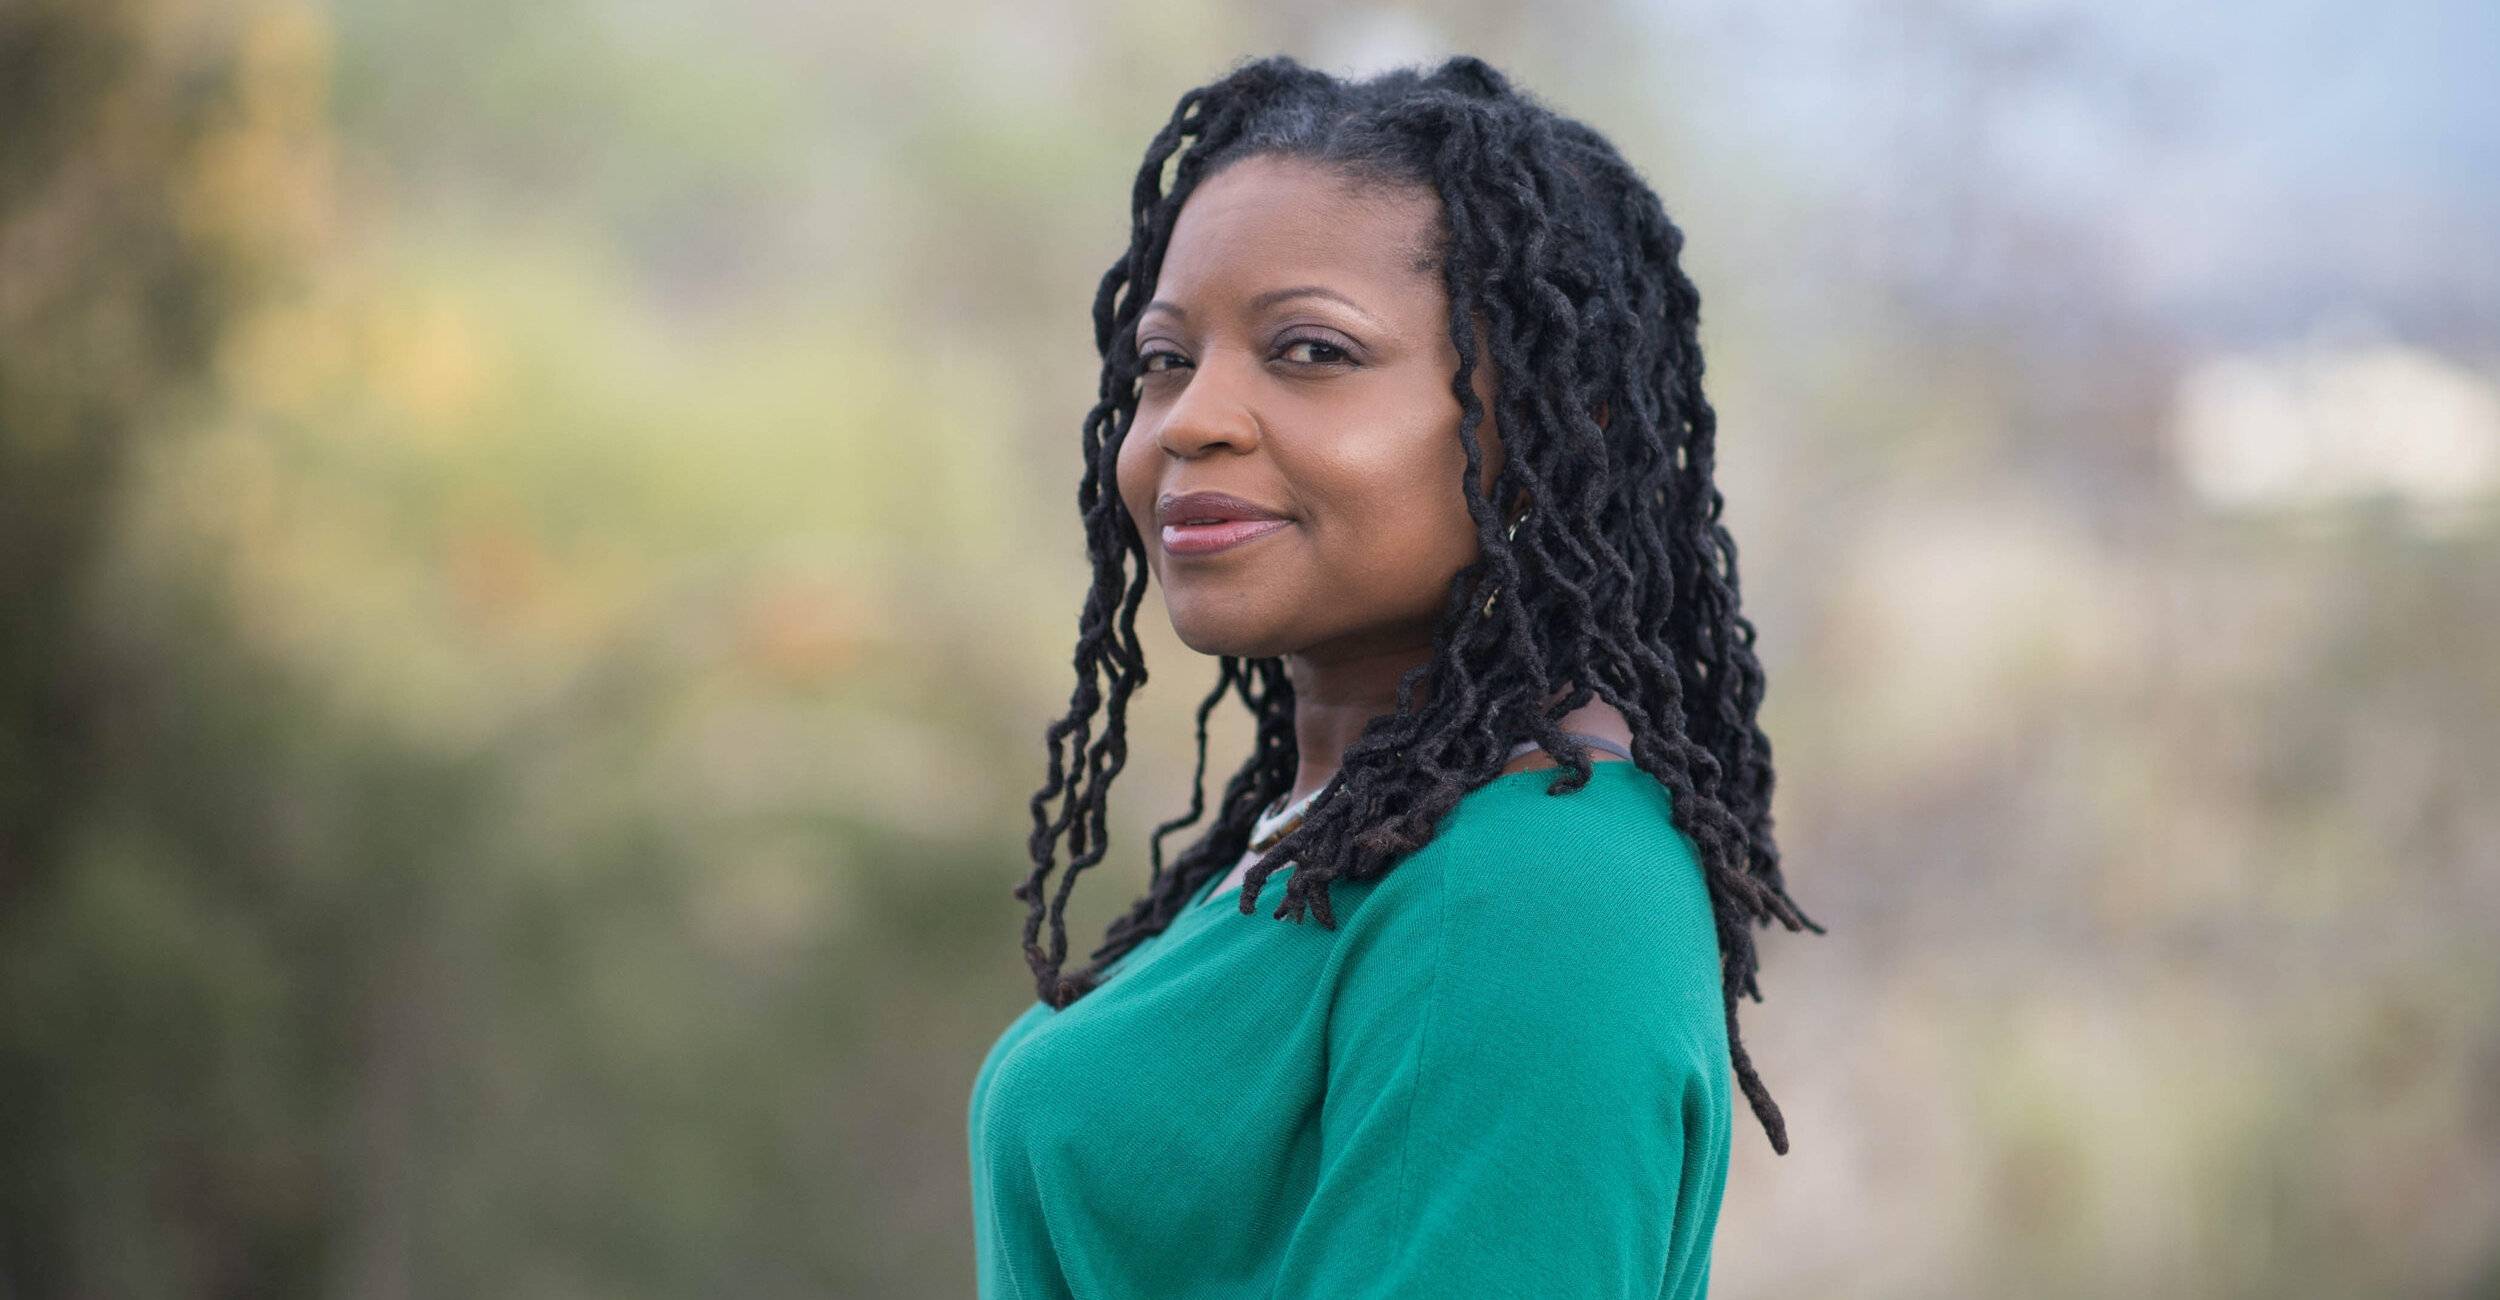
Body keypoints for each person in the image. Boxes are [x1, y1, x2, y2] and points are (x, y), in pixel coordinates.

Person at [969, 53, 1824, 1299]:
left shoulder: (1535, 887)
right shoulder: (1337, 837)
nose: (1191, 419)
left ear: (1536, 430)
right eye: (1164, 359)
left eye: (1309, 351)